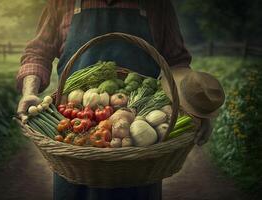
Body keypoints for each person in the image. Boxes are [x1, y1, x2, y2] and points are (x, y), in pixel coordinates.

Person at [16, 0, 213, 199]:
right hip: (74, 149)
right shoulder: (61, 2)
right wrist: (29, 93)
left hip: (141, 154)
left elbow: (177, 64)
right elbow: (37, 53)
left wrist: (196, 107)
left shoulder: (158, 5)